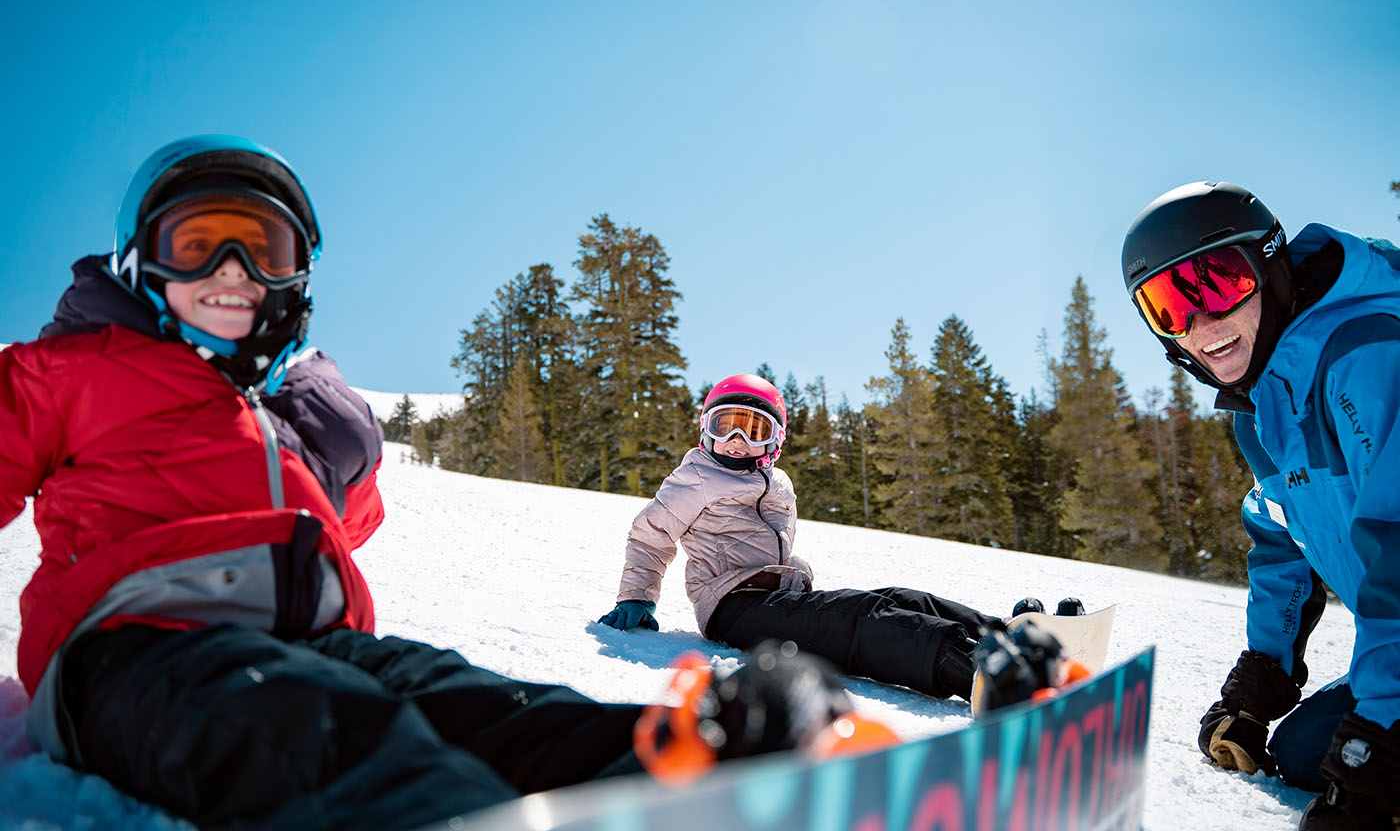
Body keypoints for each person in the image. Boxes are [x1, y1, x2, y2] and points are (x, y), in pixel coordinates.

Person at [0, 136, 846, 831]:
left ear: (294, 278)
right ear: (139, 262)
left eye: (263, 250)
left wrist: (340, 452)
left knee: (489, 707)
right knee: (330, 734)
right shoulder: (69, 369)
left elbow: (345, 531)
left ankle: (701, 772)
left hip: (318, 641)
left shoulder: (270, 407)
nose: (232, 270)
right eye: (198, 244)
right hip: (137, 651)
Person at [1120, 181, 1400, 829]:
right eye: (1168, 306)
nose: (1203, 325)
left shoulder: (1366, 356)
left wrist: (1380, 759)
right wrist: (1260, 682)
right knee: (1306, 752)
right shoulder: (1262, 411)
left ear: (1269, 265)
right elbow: (1281, 540)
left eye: (1216, 283)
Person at [598, 373, 1005, 702]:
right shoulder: (695, 476)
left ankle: (1001, 633)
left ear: (774, 440)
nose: (738, 441)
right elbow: (650, 535)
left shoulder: (778, 482)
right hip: (731, 605)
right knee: (860, 616)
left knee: (896, 598)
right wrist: (637, 595)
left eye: (753, 429)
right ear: (707, 431)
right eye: (727, 426)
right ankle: (972, 668)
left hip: (776, 595)